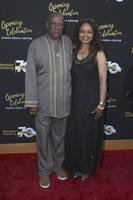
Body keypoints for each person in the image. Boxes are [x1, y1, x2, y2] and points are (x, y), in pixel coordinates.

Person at [25, 12, 73, 188]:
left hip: (63, 101)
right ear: (47, 24)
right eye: (54, 23)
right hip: (43, 103)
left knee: (59, 137)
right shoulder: (35, 45)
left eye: (60, 24)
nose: (57, 27)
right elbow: (30, 75)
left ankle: (58, 165)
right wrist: (32, 102)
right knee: (43, 139)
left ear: (63, 26)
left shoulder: (69, 43)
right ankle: (44, 171)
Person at [64, 19, 107, 180]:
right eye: (82, 31)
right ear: (78, 33)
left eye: (89, 32)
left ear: (94, 34)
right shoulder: (73, 52)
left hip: (91, 101)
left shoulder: (99, 52)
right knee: (74, 134)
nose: (85, 35)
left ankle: (86, 168)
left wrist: (101, 104)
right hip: (74, 101)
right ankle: (74, 166)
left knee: (87, 135)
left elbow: (103, 81)